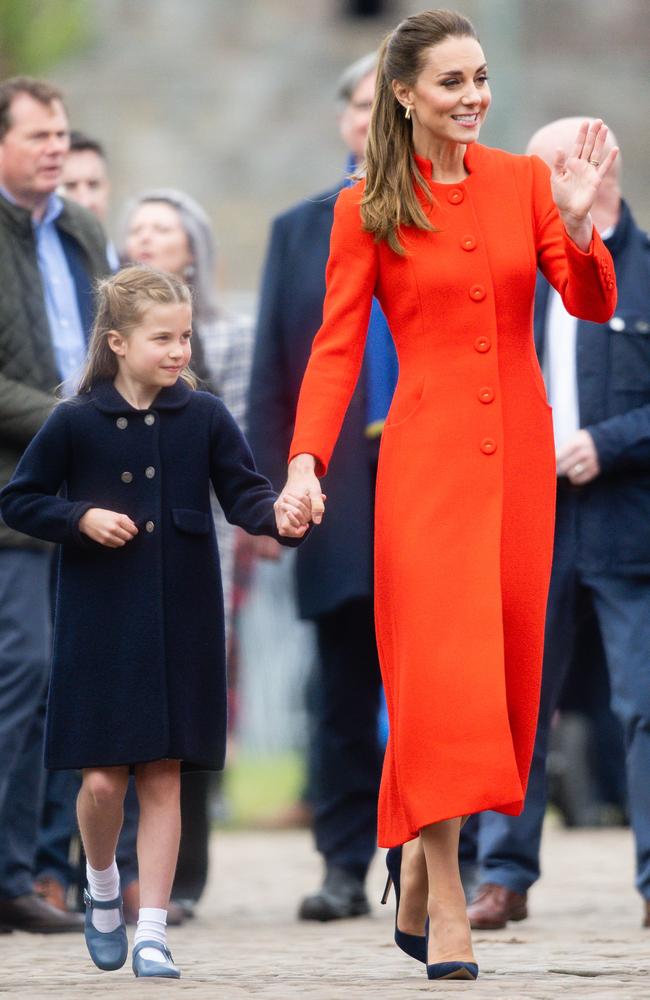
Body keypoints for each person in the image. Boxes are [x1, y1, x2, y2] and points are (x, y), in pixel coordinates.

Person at [277, 10, 617, 982]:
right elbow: (337, 347)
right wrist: (306, 461)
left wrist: (583, 218)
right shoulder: (365, 207)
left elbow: (584, 298)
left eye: (479, 77)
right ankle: (447, 888)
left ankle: (417, 865)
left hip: (515, 463)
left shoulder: (519, 182)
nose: (472, 96)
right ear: (402, 94)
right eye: (450, 82)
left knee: (501, 683)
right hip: (423, 466)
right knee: (437, 678)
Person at [0, 265, 309, 978]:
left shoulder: (203, 414)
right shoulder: (73, 419)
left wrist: (284, 519)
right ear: (117, 342)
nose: (179, 352)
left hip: (183, 618)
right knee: (104, 782)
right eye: (163, 339)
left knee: (164, 776)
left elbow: (246, 495)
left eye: (186, 337)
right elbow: (19, 500)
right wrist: (80, 517)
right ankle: (102, 887)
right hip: (98, 622)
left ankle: (152, 930)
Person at [467, 117, 650, 931]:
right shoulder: (519, 268)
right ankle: (503, 873)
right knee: (517, 702)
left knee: (642, 703)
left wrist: (605, 444)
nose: (523, 182)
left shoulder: (646, 270)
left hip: (626, 522)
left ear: (588, 167)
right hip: (529, 518)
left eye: (537, 168)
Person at [248, 52, 396, 921]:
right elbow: (276, 365)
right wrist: (271, 494)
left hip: (428, 471)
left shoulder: (448, 213)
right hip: (330, 483)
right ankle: (342, 863)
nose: (375, 118)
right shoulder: (301, 229)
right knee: (341, 678)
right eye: (364, 105)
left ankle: (427, 858)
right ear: (345, 121)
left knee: (429, 676)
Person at [121, 188, 253, 914]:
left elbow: (234, 449)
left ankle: (182, 877)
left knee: (191, 703)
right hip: (114, 536)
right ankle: (114, 870)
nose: (145, 239)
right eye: (135, 228)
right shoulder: (102, 342)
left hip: (204, 534)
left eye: (161, 230)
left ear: (192, 248)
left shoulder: (229, 339)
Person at [0, 75, 109, 934]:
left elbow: (112, 339)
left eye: (62, 134)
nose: (55, 149)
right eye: (38, 134)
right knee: (25, 676)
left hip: (91, 503)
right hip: (16, 503)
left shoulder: (79, 230)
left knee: (74, 689)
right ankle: (8, 875)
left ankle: (44, 871)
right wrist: (77, 417)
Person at [59, 131, 119, 268]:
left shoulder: (129, 265)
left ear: (107, 189)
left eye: (93, 185)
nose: (85, 201)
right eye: (70, 186)